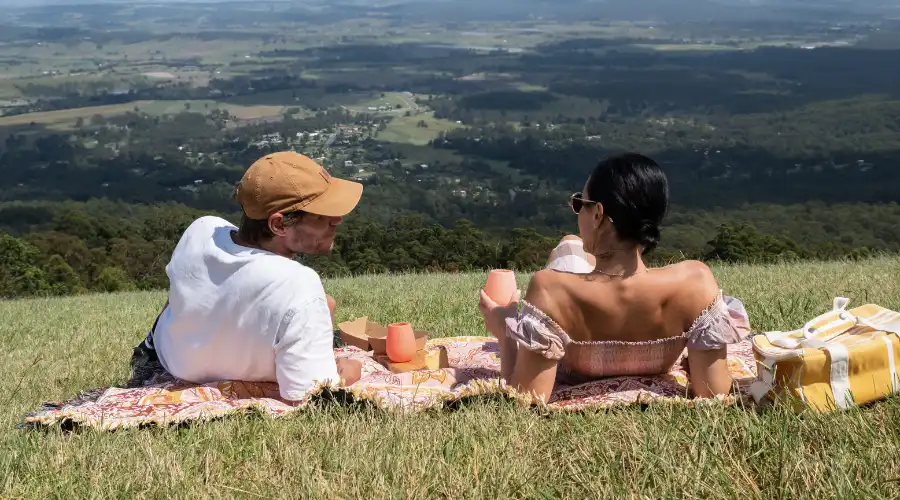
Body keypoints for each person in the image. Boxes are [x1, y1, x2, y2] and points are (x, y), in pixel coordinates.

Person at [479, 153, 751, 403]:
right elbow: (713, 391)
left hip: (576, 299)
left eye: (579, 204)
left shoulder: (550, 288)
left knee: (569, 244)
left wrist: (505, 332)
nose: (577, 212)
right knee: (573, 244)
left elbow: (527, 396)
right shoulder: (696, 282)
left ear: (598, 214)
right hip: (644, 296)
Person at [127, 151, 364, 400]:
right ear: (279, 224)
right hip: (231, 368)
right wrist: (347, 372)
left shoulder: (201, 229)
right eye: (322, 215)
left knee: (323, 305)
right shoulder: (299, 283)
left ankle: (150, 346)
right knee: (316, 306)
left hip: (173, 357)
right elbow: (307, 393)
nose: (337, 220)